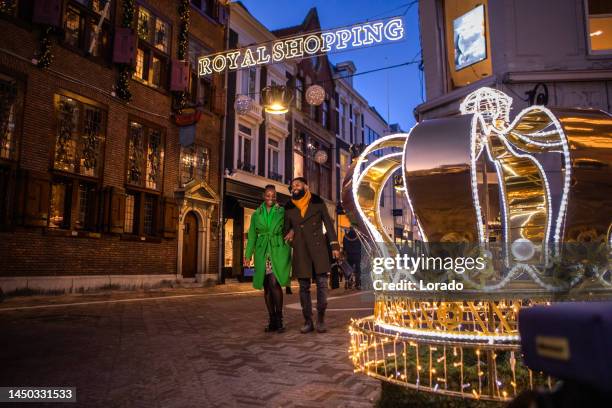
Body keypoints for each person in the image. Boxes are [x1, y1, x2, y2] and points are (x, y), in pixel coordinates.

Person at [284, 177, 340, 333]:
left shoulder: (317, 202)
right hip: (301, 249)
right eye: (293, 185)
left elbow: (328, 224)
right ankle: (308, 320)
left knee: (322, 284)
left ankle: (320, 318)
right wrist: (291, 231)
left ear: (305, 186)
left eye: (298, 184)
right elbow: (285, 229)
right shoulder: (288, 206)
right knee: (303, 287)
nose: (294, 187)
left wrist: (334, 245)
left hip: (318, 248)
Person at [245, 185, 292, 333]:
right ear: (263, 195)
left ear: (276, 196)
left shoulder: (282, 211)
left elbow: (292, 223)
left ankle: (279, 320)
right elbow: (252, 235)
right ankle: (271, 320)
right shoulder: (256, 214)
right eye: (268, 195)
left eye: (273, 195)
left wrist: (292, 231)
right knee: (266, 286)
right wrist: (248, 255)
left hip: (278, 249)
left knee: (274, 282)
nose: (271, 197)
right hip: (262, 251)